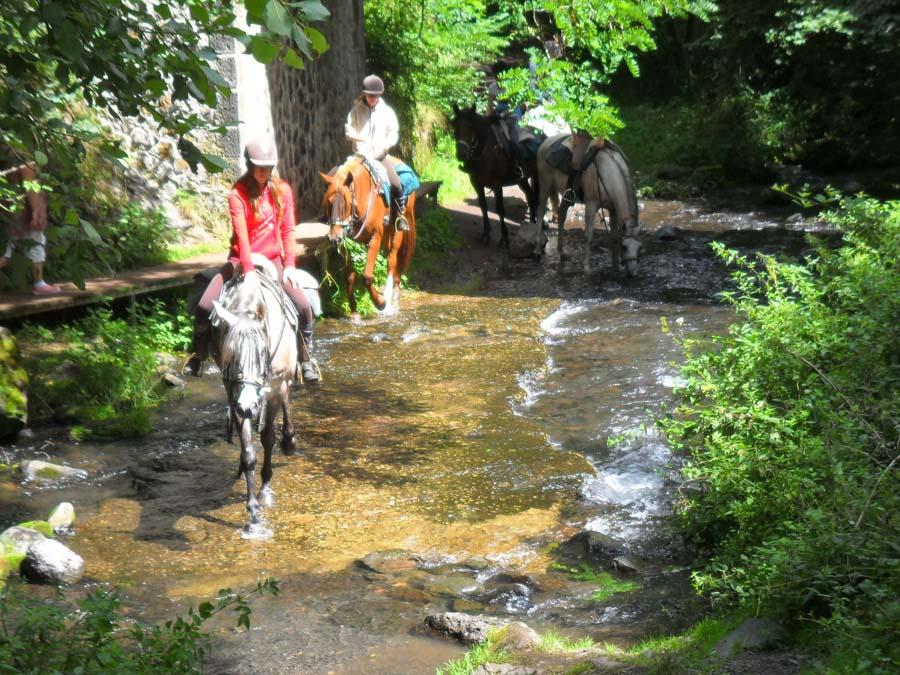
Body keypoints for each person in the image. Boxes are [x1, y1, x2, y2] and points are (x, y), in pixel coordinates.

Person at [182, 136, 319, 384]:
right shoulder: (237, 194)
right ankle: (198, 356)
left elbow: (288, 230)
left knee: (303, 306)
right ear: (249, 165)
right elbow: (242, 236)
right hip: (239, 260)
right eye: (259, 167)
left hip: (272, 260)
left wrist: (289, 265)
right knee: (204, 306)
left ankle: (306, 358)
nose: (264, 172)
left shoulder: (283, 191)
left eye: (268, 167)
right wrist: (248, 269)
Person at [344, 74, 409, 231]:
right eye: (369, 95)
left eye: (375, 96)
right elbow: (348, 130)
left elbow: (393, 132)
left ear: (379, 95)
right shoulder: (356, 110)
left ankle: (400, 216)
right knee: (336, 177)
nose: (371, 98)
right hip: (359, 157)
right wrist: (359, 137)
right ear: (364, 94)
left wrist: (386, 145)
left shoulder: (387, 112)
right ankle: (333, 214)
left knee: (396, 183)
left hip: (380, 156)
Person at [0, 159, 60, 295]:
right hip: (23, 212)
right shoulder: (26, 160)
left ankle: (40, 284)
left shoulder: (9, 159)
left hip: (9, 210)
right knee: (36, 244)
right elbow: (30, 186)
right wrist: (35, 210)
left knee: (5, 252)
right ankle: (39, 284)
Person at [562, 132, 606, 207]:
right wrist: (575, 135)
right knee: (577, 162)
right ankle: (569, 194)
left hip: (603, 138)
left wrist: (602, 137)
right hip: (583, 136)